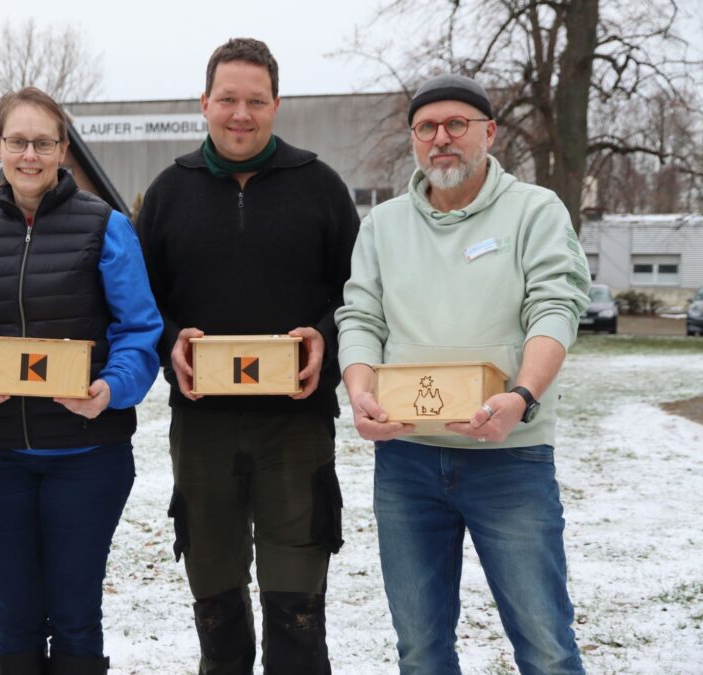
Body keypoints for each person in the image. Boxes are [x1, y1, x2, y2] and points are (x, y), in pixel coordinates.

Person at [335, 73, 589, 674]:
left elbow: (556, 306)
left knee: (545, 646)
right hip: (408, 462)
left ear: (489, 132)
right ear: (414, 139)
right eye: (426, 127)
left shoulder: (534, 210)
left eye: (457, 124)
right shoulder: (383, 225)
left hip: (510, 457)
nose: (441, 138)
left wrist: (522, 395)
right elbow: (360, 316)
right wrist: (361, 394)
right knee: (421, 649)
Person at [136, 38, 360, 675]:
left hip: (296, 425)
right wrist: (168, 340)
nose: (241, 114)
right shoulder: (168, 193)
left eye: (255, 101)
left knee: (297, 607)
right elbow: (141, 304)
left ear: (276, 105)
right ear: (204, 103)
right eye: (227, 99)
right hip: (204, 427)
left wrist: (327, 337)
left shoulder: (319, 186)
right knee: (216, 603)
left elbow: (359, 297)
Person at [0, 86, 162, 675]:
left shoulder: (107, 229)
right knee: (13, 614)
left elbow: (140, 330)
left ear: (63, 149)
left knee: (74, 612)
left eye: (43, 142)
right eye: (18, 141)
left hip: (87, 455)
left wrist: (110, 390)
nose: (30, 155)